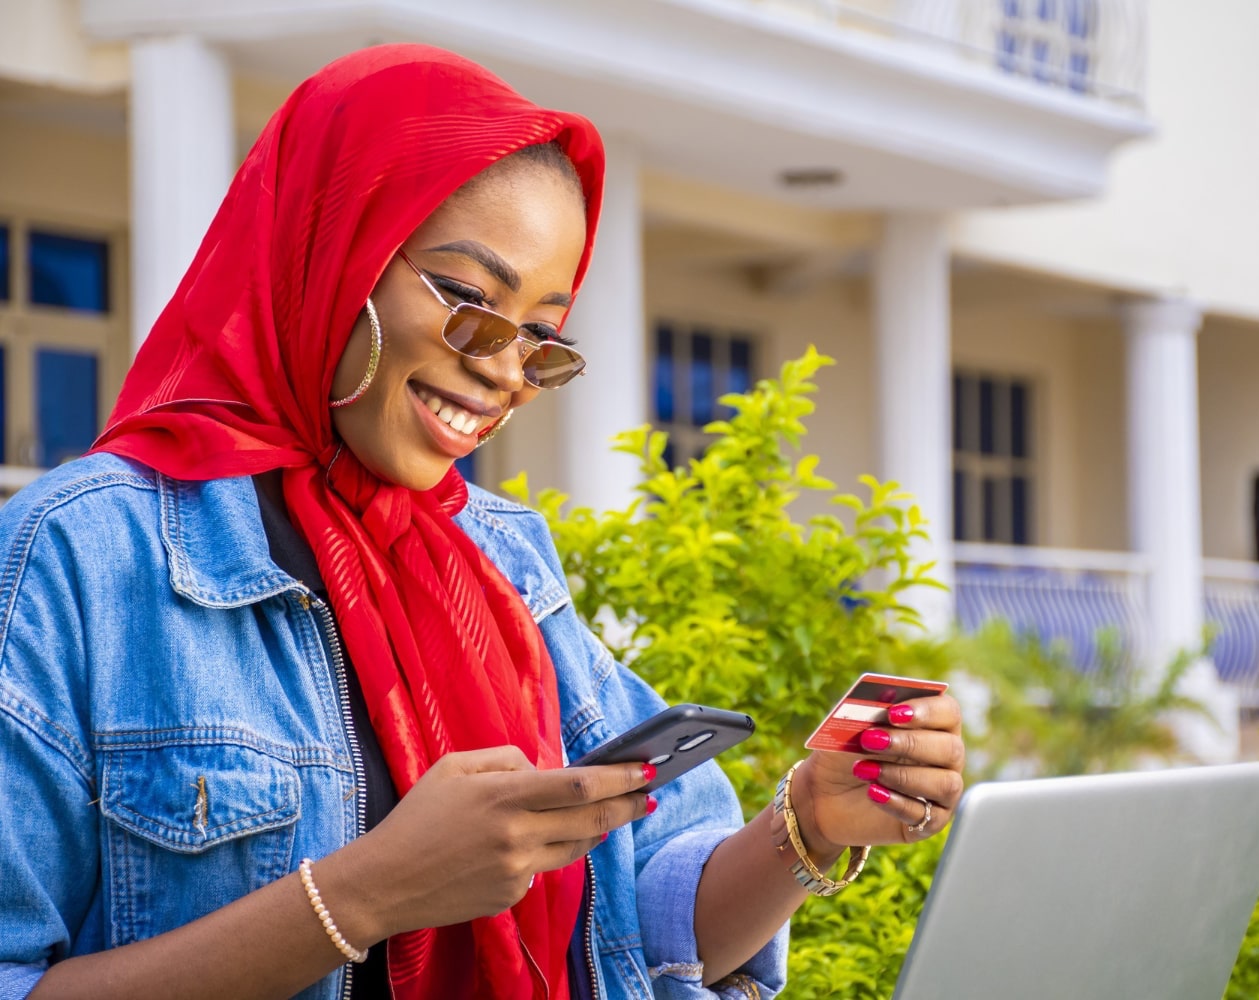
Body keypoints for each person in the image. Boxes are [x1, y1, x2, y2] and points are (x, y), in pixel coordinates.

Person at [0, 44, 965, 1000]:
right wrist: (364, 897)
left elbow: (651, 929)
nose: (505, 369)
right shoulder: (81, 556)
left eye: (541, 336)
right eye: (469, 300)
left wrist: (808, 826)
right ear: (334, 252)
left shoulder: (498, 559)